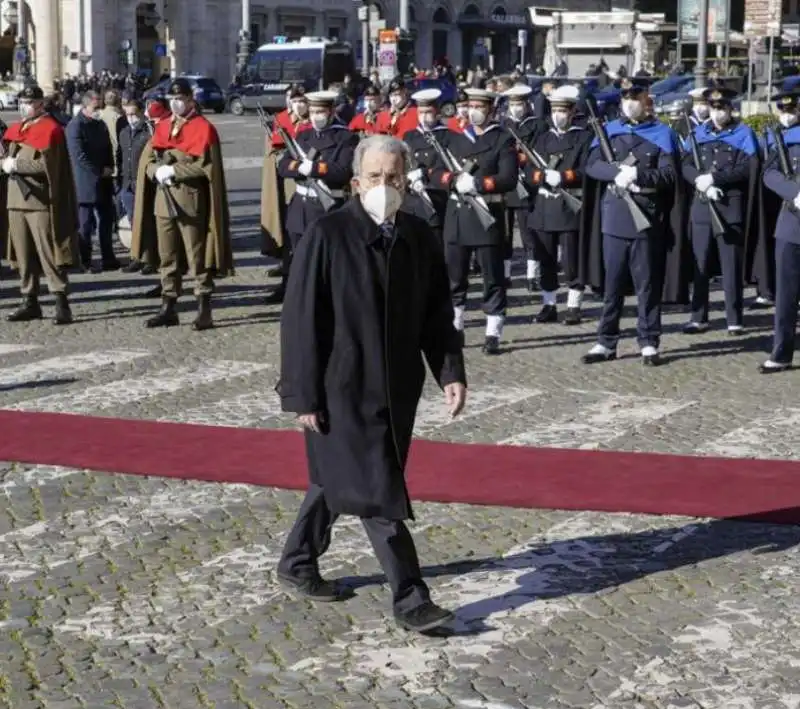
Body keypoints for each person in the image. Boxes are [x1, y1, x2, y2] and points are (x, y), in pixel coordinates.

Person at [277, 134, 467, 633]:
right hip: (340, 389)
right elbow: (300, 321)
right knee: (377, 490)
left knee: (336, 479)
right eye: (377, 178)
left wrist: (449, 372)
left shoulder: (419, 234)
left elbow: (436, 314)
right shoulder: (327, 234)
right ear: (357, 182)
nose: (386, 187)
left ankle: (297, 561)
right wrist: (302, 395)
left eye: (395, 178)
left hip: (396, 388)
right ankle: (411, 598)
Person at [581, 78, 682, 366]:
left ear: (646, 100)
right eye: (625, 97)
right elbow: (591, 165)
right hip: (614, 217)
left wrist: (638, 176)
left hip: (645, 217)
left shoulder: (663, 133)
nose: (629, 103)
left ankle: (649, 341)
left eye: (635, 97)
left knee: (647, 285)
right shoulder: (609, 131)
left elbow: (669, 176)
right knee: (611, 286)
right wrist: (616, 173)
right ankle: (605, 341)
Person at [130, 77, 234, 330]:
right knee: (168, 256)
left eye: (180, 99)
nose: (176, 104)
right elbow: (147, 162)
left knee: (197, 256)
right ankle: (169, 306)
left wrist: (174, 171)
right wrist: (155, 170)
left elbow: (205, 167)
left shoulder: (203, 128)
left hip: (190, 202)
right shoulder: (163, 127)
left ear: (190, 100)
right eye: (172, 100)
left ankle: (204, 308)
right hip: (163, 203)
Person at [433, 87, 517, 355]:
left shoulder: (502, 140)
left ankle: (493, 330)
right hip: (457, 215)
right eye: (471, 106)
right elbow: (436, 172)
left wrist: (478, 183)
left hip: (486, 216)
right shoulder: (455, 140)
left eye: (480, 107)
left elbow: (508, 178)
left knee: (492, 276)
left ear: (491, 110)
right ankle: (456, 326)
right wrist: (452, 181)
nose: (474, 111)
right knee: (454, 276)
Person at [680, 87, 759, 336]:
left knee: (730, 266)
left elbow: (748, 169)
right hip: (702, 206)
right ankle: (698, 316)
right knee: (700, 263)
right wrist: (698, 180)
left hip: (729, 206)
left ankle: (734, 318)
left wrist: (715, 178)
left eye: (721, 108)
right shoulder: (698, 133)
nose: (717, 113)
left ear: (730, 109)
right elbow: (685, 164)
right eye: (713, 108)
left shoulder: (743, 134)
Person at [3, 85, 79, 325]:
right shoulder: (18, 128)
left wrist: (15, 165)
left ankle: (60, 300)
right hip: (15, 200)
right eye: (22, 101)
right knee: (23, 255)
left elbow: (48, 169)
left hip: (39, 201)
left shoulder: (51, 130)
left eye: (28, 102)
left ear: (40, 104)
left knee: (49, 254)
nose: (24, 106)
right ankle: (30, 300)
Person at [524, 84, 593, 324]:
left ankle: (573, 304)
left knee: (572, 260)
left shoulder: (584, 137)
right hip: (544, 207)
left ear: (573, 112)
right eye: (554, 110)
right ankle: (549, 304)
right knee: (546, 259)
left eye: (563, 110)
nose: (558, 115)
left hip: (570, 207)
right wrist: (542, 177)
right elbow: (528, 170)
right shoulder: (543, 138)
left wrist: (564, 177)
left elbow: (588, 170)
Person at [277, 90, 358, 282]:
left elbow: (343, 170)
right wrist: (299, 167)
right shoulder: (303, 136)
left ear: (330, 112)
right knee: (299, 261)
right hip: (300, 207)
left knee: (328, 264)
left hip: (326, 206)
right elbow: (283, 166)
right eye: (312, 112)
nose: (315, 117)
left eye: (320, 112)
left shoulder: (345, 137)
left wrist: (315, 168)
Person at [760, 91, 800, 373]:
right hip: (791, 224)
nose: (787, 113)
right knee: (786, 295)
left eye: (792, 108)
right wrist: (794, 193)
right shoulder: (781, 139)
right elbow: (769, 173)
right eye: (782, 109)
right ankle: (782, 352)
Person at [262, 84, 311, 304]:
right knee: (287, 231)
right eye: (294, 100)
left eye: (302, 100)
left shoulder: (313, 120)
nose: (299, 104)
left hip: (308, 183)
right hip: (285, 182)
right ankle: (286, 281)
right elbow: (273, 150)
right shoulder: (281, 119)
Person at [66, 90, 118, 272]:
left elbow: (109, 147)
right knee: (85, 225)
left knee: (106, 221)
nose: (99, 109)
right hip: (85, 182)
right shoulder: (75, 126)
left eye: (101, 105)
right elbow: (79, 156)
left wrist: (110, 167)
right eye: (96, 106)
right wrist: (99, 170)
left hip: (104, 180)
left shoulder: (100, 123)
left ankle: (108, 258)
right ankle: (85, 260)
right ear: (85, 105)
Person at [502, 83, 545, 291]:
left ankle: (532, 274)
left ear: (527, 103)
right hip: (505, 184)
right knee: (504, 233)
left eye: (520, 103)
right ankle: (505, 273)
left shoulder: (537, 125)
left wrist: (524, 162)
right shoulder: (503, 123)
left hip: (527, 183)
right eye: (513, 103)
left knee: (529, 233)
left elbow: (539, 153)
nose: (516, 107)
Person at [401, 88, 451, 240]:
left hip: (436, 195)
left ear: (437, 112)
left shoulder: (447, 135)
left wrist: (423, 174)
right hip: (413, 197)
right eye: (421, 112)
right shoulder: (410, 136)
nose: (424, 116)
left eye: (428, 112)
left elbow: (447, 166)